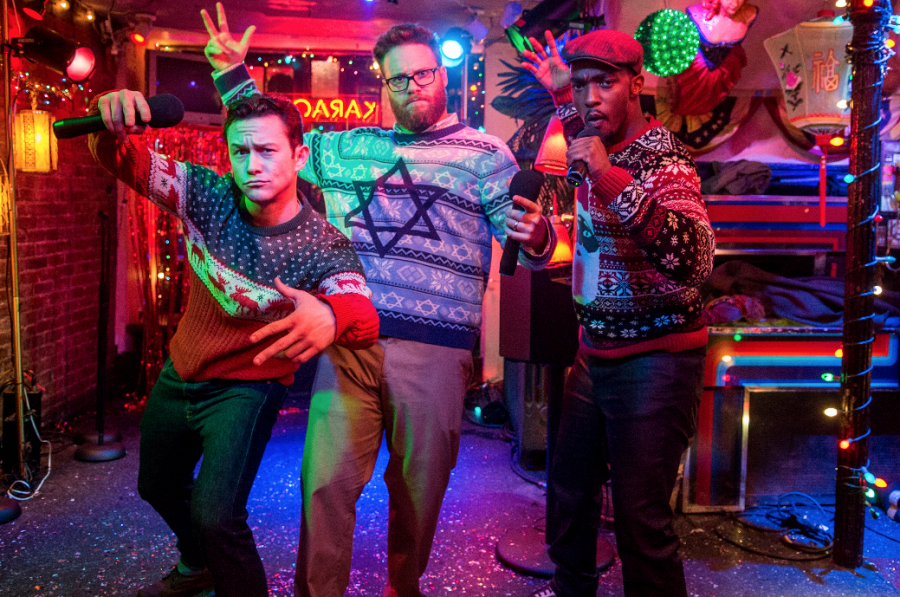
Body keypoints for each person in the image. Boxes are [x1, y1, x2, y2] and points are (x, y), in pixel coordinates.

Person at [199, 4, 557, 597]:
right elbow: (275, 140)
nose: (412, 86)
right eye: (398, 78)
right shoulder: (348, 149)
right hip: (349, 340)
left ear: (443, 75)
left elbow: (528, 244)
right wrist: (232, 73)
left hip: (436, 351)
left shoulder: (486, 154)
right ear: (384, 84)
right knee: (324, 484)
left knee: (419, 492)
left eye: (423, 74)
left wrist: (539, 235)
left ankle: (402, 588)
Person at [90, 89, 380, 597]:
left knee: (217, 516)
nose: (252, 165)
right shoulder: (207, 194)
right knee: (156, 486)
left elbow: (363, 314)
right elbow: (122, 160)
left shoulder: (323, 244)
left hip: (249, 388)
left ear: (299, 156)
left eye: (267, 150)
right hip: (182, 372)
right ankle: (197, 565)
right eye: (240, 151)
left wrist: (334, 314)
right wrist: (108, 121)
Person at [520, 29, 715, 597]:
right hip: (595, 352)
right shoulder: (589, 137)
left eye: (605, 83)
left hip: (656, 360)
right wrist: (540, 241)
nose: (591, 98)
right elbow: (582, 126)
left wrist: (608, 176)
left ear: (637, 84)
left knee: (640, 523)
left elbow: (695, 259)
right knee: (569, 498)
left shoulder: (666, 159)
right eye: (582, 85)